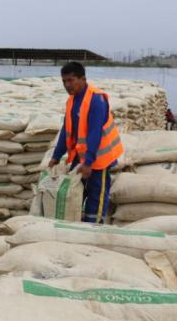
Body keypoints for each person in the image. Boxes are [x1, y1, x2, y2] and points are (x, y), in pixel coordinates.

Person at [48, 61, 124, 224]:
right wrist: (56, 155)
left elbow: (95, 132)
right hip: (81, 156)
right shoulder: (72, 100)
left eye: (71, 80)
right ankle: (78, 224)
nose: (67, 85)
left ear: (83, 79)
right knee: (77, 192)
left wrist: (89, 161)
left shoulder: (96, 100)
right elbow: (67, 129)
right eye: (64, 81)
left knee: (97, 195)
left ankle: (94, 228)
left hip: (99, 157)